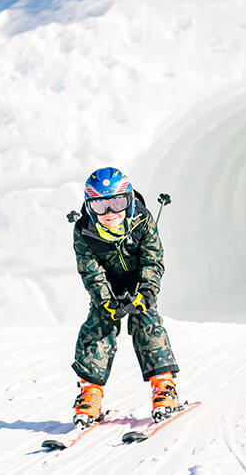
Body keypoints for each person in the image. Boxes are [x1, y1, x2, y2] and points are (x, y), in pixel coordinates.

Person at [68, 167, 181, 428]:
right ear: (89, 206)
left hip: (138, 281)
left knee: (147, 321)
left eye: (117, 203)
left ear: (129, 201)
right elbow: (90, 271)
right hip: (107, 285)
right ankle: (90, 393)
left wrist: (147, 292)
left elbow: (153, 260)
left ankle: (164, 387)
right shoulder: (84, 230)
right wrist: (105, 300)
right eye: (100, 205)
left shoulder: (143, 220)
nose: (110, 213)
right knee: (98, 325)